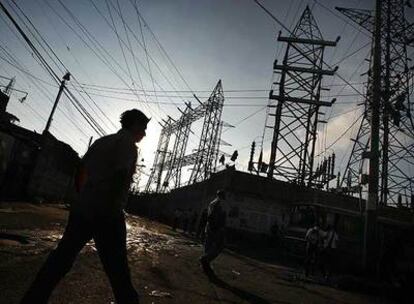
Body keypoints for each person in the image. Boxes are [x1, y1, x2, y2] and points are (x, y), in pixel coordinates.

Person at [20, 109, 150, 304]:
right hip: (106, 213)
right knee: (118, 270)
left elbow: (81, 170)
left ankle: (33, 299)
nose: (145, 133)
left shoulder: (101, 142)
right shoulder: (128, 145)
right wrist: (111, 209)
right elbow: (120, 176)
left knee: (61, 258)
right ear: (134, 124)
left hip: (83, 209)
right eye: (143, 127)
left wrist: (81, 197)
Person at [199, 190, 227, 277]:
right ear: (222, 196)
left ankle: (206, 264)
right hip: (215, 228)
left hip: (209, 227)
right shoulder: (219, 204)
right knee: (220, 246)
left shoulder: (212, 203)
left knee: (208, 245)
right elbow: (214, 217)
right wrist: (218, 228)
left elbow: (208, 216)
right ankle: (205, 259)